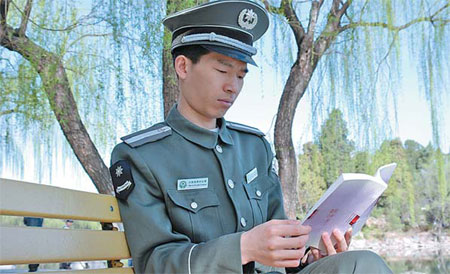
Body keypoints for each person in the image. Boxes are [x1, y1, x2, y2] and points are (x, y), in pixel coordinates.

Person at [110, 1, 393, 273]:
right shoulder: (142, 156)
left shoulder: (254, 148)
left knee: (362, 264)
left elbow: (280, 253)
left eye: (241, 76)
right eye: (222, 70)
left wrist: (308, 256)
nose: (232, 87)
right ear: (183, 67)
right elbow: (154, 264)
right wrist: (243, 248)